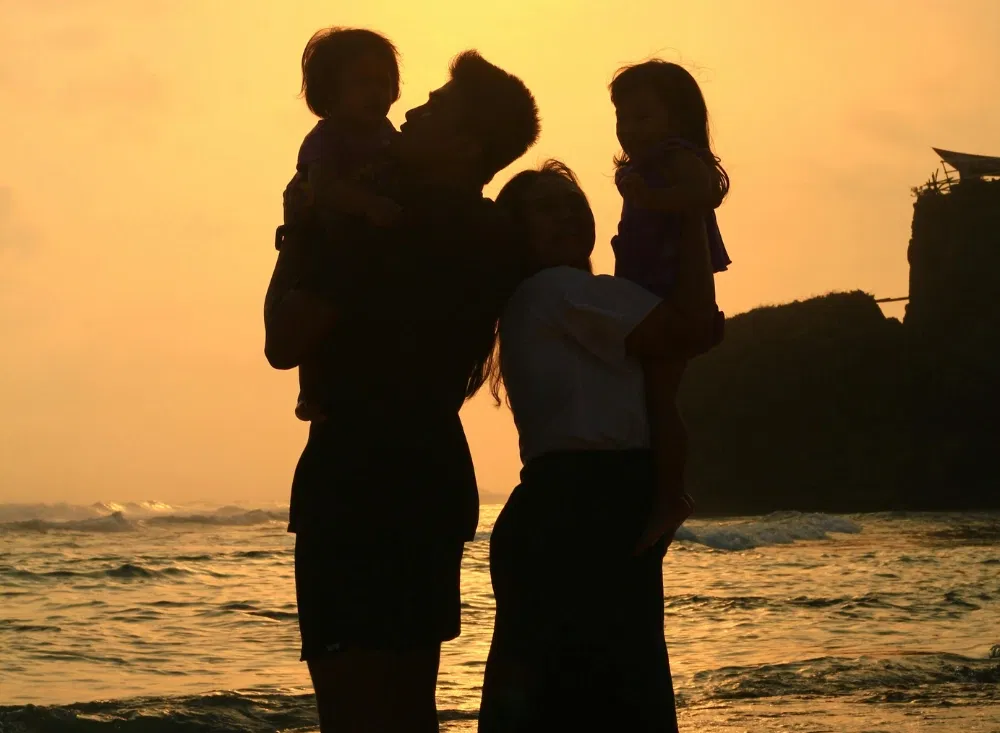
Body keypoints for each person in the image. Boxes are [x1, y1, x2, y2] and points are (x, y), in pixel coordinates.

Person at [263, 52, 540, 733]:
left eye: (435, 107)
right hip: (432, 472)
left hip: (353, 473)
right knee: (410, 704)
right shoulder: (495, 235)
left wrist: (296, 232)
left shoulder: (379, 224)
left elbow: (283, 340)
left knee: (351, 708)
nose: (410, 111)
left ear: (465, 144)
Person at [478, 161, 722, 731]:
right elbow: (690, 328)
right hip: (583, 511)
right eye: (546, 207)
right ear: (517, 232)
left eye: (573, 204)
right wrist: (689, 211)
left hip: (575, 508)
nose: (566, 215)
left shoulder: (555, 297)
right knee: (612, 700)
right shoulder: (557, 289)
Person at [610, 60, 733, 551]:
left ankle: (671, 496)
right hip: (649, 288)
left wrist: (649, 197)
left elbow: (705, 193)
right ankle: (660, 491)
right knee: (649, 395)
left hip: (674, 288)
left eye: (642, 117)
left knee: (660, 398)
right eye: (622, 118)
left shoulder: (675, 156)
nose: (629, 129)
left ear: (676, 119)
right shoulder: (644, 167)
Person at [288, 27, 403, 423]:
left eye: (382, 82)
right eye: (360, 83)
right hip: (327, 241)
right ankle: (312, 391)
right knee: (317, 313)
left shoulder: (388, 137)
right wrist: (368, 205)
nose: (374, 93)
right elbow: (323, 189)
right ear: (330, 93)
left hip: (369, 248)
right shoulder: (326, 139)